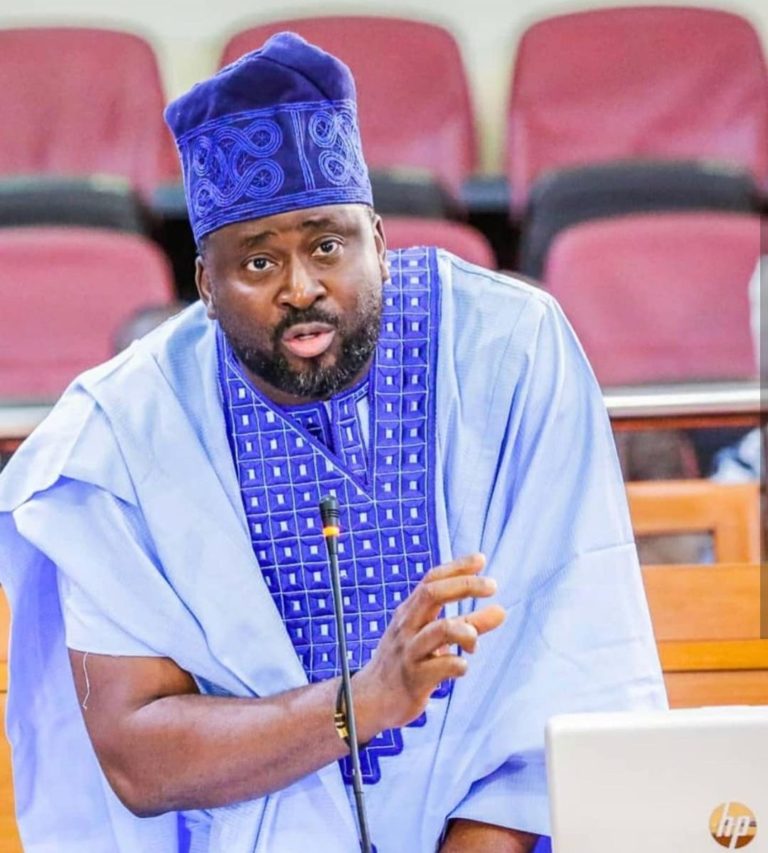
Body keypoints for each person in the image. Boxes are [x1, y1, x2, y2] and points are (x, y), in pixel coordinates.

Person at [0, 33, 666, 853]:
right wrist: (362, 703)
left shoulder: (507, 350)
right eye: (258, 262)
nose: (301, 286)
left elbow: (572, 661)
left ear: (378, 241)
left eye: (327, 245)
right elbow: (138, 755)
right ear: (205, 283)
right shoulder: (123, 431)